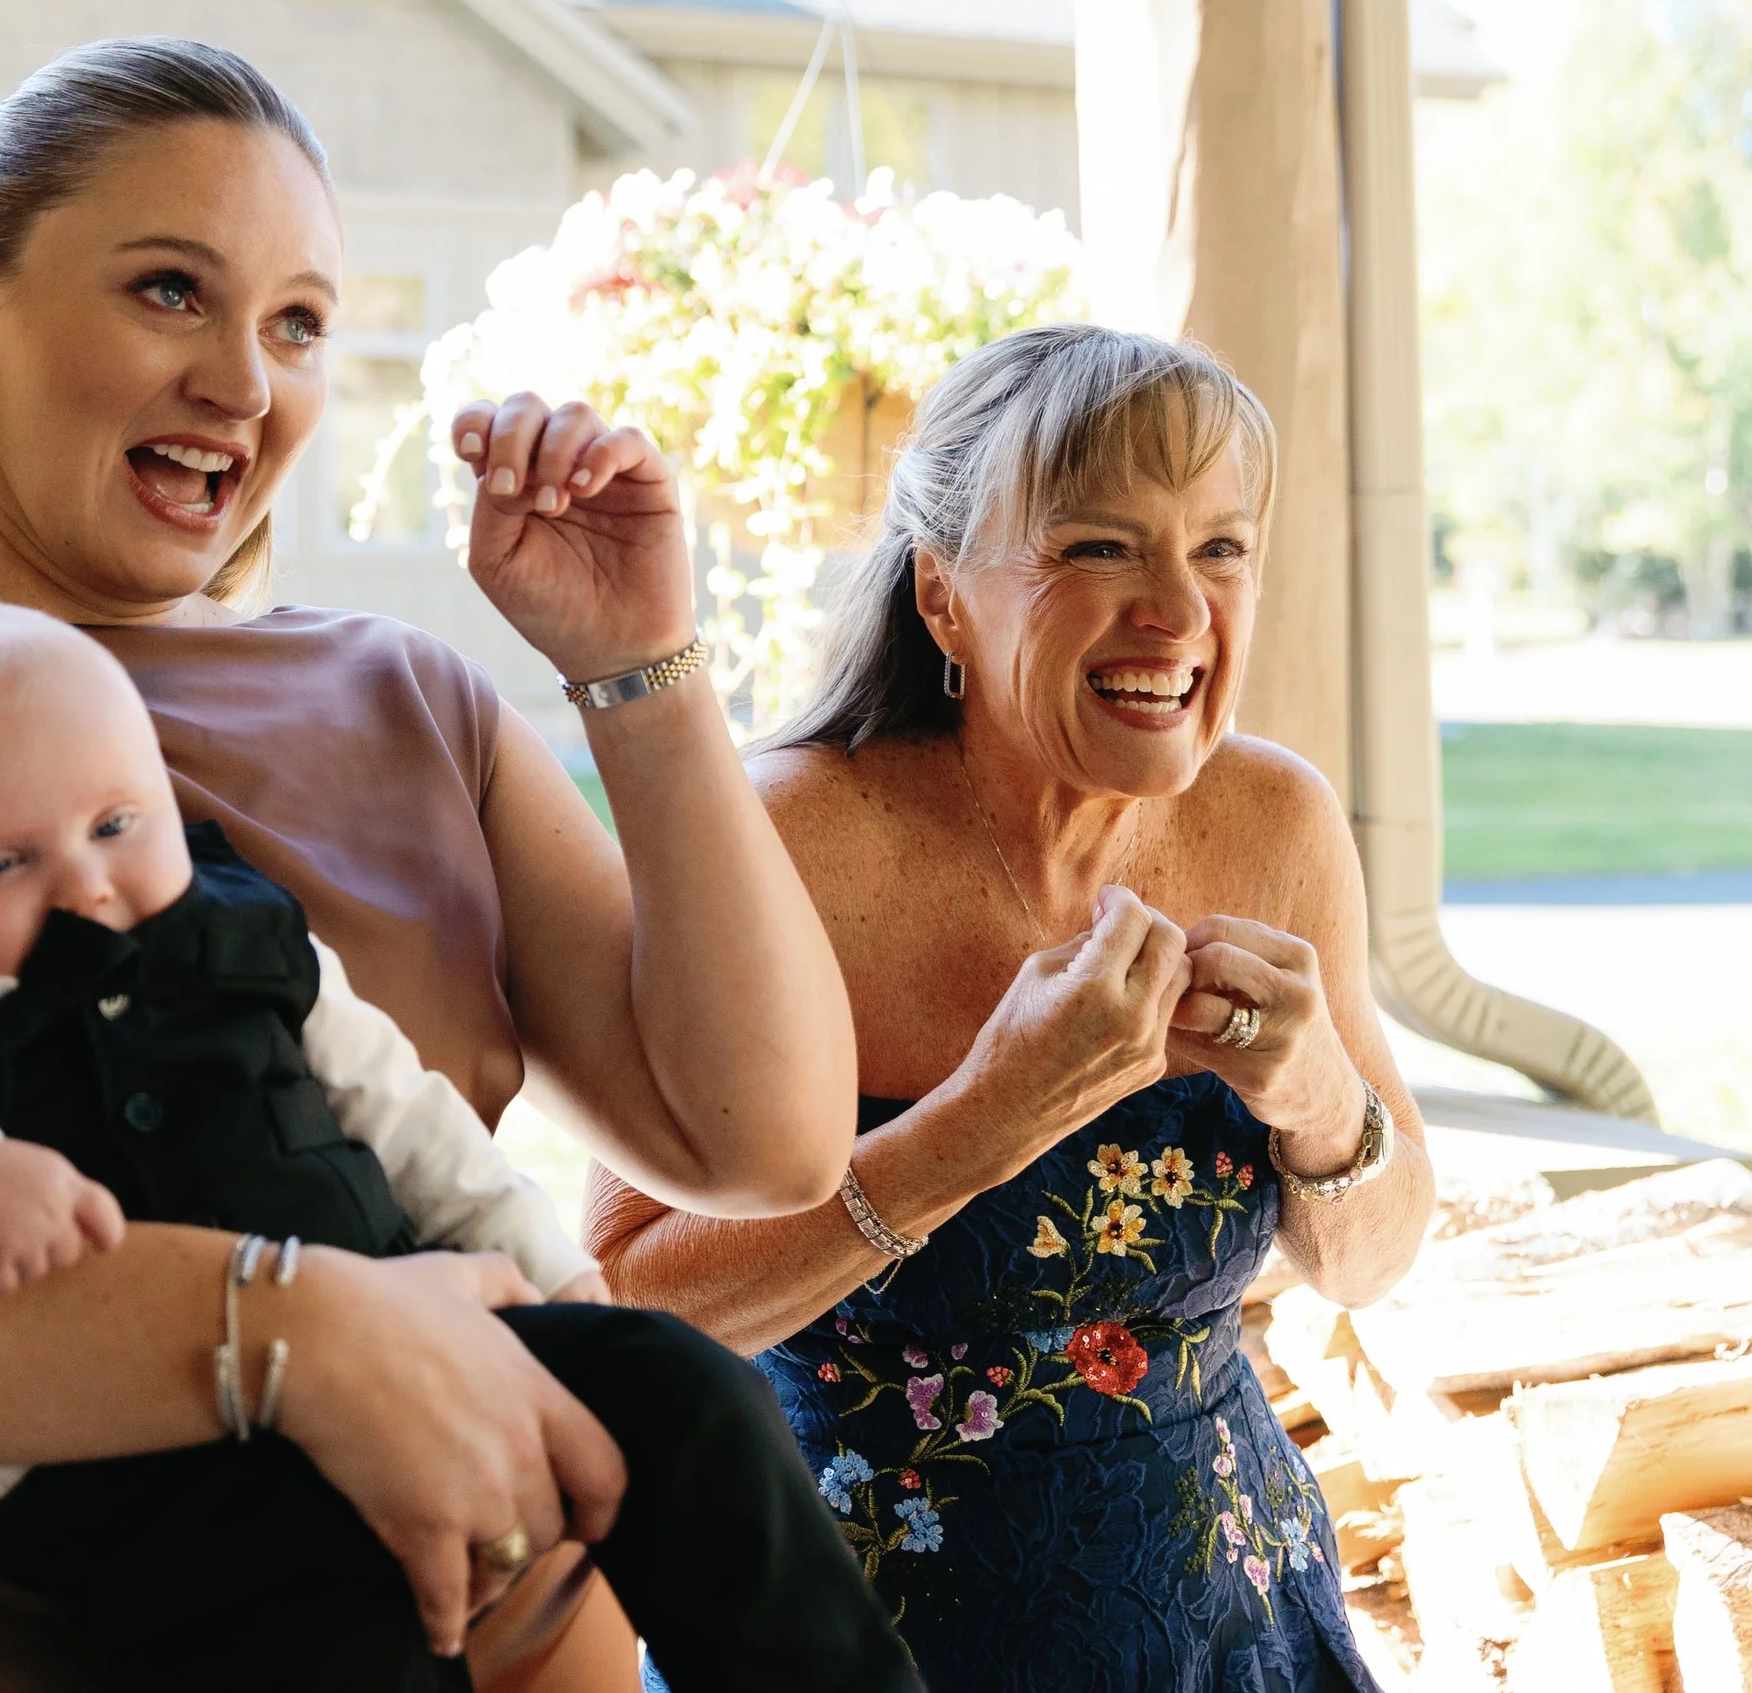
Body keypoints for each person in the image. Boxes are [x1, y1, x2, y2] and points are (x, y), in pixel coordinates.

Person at [0, 35, 862, 1693]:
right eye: (172, 290)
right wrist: (281, 1330)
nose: (247, 381)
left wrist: (643, 667)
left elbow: (765, 1138)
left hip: (526, 1629)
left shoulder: (407, 700)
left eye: (299, 322)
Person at [0, 600, 917, 1693]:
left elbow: (401, 1113)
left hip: (441, 1334)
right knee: (325, 1637)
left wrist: (548, 1273)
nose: (86, 887)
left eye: (114, 824)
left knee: (685, 1389)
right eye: (0, 864)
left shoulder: (242, 941)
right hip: (153, 1471)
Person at [588, 325, 1437, 1693]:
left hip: (1228, 1628)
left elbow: (1369, 1261)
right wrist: (988, 1117)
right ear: (941, 597)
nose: (1176, 610)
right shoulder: (785, 839)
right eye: (1099, 546)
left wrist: (1319, 1093)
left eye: (1220, 549)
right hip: (844, 1634)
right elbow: (627, 1301)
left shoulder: (1273, 816)